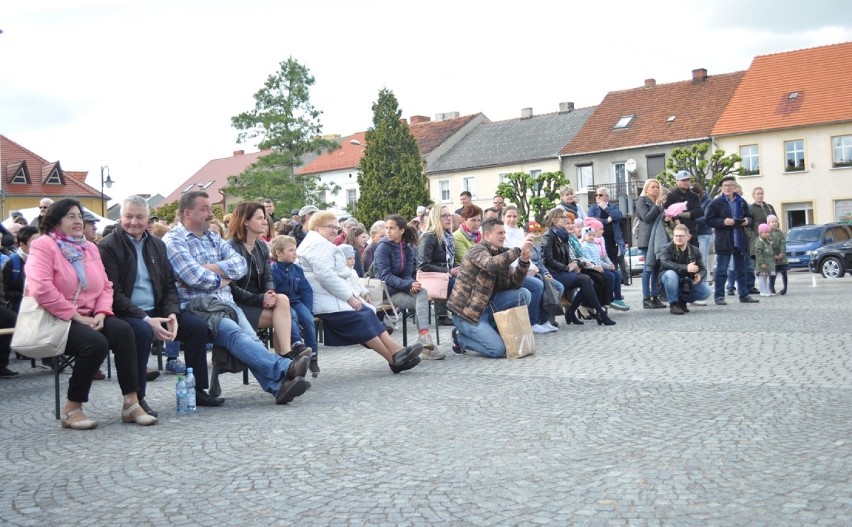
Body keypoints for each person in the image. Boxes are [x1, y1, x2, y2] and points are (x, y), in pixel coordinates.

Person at [163, 191, 310, 405]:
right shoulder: (174, 240)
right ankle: (285, 367)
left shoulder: (213, 237)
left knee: (250, 340)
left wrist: (213, 271)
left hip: (227, 303)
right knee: (234, 334)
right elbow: (193, 277)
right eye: (205, 209)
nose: (210, 213)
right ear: (187, 213)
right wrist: (222, 278)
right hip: (199, 306)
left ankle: (278, 388)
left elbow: (239, 265)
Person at [26, 198, 157, 428]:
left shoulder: (89, 247)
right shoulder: (44, 245)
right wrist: (75, 315)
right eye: (71, 216)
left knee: (125, 330)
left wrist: (102, 312)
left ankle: (132, 402)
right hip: (57, 318)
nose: (78, 221)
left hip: (91, 314)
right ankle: (72, 408)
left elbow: (106, 286)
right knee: (94, 343)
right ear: (56, 221)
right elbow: (41, 288)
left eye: (79, 216)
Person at [98, 195, 222, 416]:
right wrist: (146, 319)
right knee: (142, 331)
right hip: (124, 313)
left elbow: (168, 286)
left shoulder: (157, 245)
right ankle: (137, 399)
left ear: (148, 220)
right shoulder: (108, 246)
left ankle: (198, 390)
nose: (133, 222)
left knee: (196, 327)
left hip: (157, 310)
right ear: (120, 218)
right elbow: (113, 293)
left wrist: (172, 313)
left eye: (139, 217)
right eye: (128, 216)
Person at [297, 210, 423, 373]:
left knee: (367, 313)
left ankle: (396, 354)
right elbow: (326, 276)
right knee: (362, 317)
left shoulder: (322, 243)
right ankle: (394, 356)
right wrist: (350, 298)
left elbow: (346, 273)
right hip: (323, 299)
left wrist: (362, 291)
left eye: (337, 227)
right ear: (317, 227)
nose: (336, 230)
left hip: (331, 295)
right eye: (331, 227)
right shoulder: (317, 244)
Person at [226, 202, 307, 358]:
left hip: (259, 301)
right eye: (260, 218)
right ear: (245, 221)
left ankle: (285, 354)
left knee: (282, 300)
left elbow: (267, 274)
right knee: (284, 317)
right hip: (239, 304)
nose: (265, 221)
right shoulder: (231, 248)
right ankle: (286, 358)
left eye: (264, 218)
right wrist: (261, 299)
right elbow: (231, 287)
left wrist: (269, 292)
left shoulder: (261, 246)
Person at [447, 217, 533, 358]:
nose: (503, 236)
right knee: (497, 350)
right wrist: (518, 250)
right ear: (487, 235)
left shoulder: (501, 252)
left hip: (490, 307)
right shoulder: (476, 250)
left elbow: (514, 284)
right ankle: (460, 339)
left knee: (523, 294)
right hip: (468, 314)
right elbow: (490, 264)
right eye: (499, 233)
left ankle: (500, 330)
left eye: (504, 233)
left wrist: (523, 262)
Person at [373, 215, 440, 358]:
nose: (388, 231)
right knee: (420, 300)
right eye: (387, 228)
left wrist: (411, 285)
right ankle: (427, 347)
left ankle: (424, 336)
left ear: (401, 230)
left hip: (399, 288)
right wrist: (408, 284)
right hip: (386, 291)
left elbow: (407, 274)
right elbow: (384, 276)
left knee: (422, 293)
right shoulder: (383, 247)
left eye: (392, 228)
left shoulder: (407, 248)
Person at [540, 208, 615, 326]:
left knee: (589, 280)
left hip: (563, 271)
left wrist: (576, 264)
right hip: (553, 273)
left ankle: (571, 312)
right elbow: (547, 259)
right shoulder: (548, 236)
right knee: (586, 279)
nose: (566, 220)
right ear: (554, 220)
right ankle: (600, 313)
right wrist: (567, 268)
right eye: (563, 218)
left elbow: (569, 256)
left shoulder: (563, 235)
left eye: (566, 217)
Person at [705, 176, 759, 306]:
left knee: (741, 270)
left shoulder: (741, 202)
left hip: (740, 241)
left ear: (735, 187)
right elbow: (709, 220)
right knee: (721, 270)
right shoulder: (716, 203)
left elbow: (751, 218)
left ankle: (744, 295)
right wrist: (723, 222)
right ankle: (719, 296)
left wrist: (747, 221)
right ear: (721, 188)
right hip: (723, 241)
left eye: (730, 185)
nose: (728, 187)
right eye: (725, 185)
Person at [270, 235, 319, 377]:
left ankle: (313, 355)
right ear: (279, 253)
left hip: (296, 301)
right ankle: (297, 344)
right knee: (292, 316)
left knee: (308, 319)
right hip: (282, 304)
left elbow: (306, 290)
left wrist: (308, 308)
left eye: (295, 250)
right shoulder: (272, 271)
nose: (295, 253)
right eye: (291, 250)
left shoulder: (297, 270)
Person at [501, 205, 549, 333]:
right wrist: (525, 268)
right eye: (509, 216)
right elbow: (511, 256)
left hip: (524, 267)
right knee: (537, 285)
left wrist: (533, 268)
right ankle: (532, 323)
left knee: (545, 281)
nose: (512, 219)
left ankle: (543, 320)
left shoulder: (518, 232)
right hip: (513, 271)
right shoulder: (503, 233)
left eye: (514, 216)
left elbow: (526, 253)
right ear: (503, 217)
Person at [417, 205, 459, 327]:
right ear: (435, 218)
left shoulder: (448, 236)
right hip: (430, 279)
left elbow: (450, 260)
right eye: (444, 216)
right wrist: (449, 271)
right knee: (459, 284)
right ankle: (459, 318)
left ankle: (463, 317)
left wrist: (457, 268)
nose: (449, 219)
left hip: (444, 276)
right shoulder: (428, 237)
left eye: (449, 215)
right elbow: (423, 265)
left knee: (468, 279)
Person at [657, 224, 712, 315]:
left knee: (707, 291)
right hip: (668, 283)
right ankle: (673, 304)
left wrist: (699, 275)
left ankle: (682, 302)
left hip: (687, 283)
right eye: (676, 236)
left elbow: (702, 269)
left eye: (681, 236)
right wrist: (686, 267)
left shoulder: (695, 250)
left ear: (688, 237)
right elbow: (665, 263)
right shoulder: (665, 248)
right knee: (670, 274)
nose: (678, 238)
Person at [634, 180, 665, 309]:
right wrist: (657, 206)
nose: (656, 189)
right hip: (647, 239)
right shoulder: (641, 200)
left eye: (657, 187)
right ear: (646, 189)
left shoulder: (659, 202)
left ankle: (655, 296)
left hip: (658, 238)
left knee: (657, 268)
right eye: (653, 187)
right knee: (648, 268)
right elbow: (646, 217)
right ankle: (646, 297)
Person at [587, 187, 627, 285]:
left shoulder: (613, 207)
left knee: (613, 263)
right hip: (598, 240)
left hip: (613, 240)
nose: (597, 197)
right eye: (596, 195)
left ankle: (614, 288)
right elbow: (591, 220)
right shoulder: (593, 208)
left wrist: (605, 208)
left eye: (600, 195)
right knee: (602, 263)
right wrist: (606, 221)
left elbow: (618, 216)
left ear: (606, 196)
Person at [747, 187, 777, 294]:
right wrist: (752, 236)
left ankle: (771, 288)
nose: (760, 195)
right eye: (758, 194)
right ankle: (758, 288)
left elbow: (775, 221)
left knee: (771, 264)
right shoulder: (751, 208)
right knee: (759, 265)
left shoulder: (769, 207)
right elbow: (748, 225)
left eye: (761, 193)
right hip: (758, 239)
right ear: (753, 195)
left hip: (770, 239)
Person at [3, 226, 39, 313]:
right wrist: (24, 295)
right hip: (18, 311)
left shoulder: (46, 261)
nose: (40, 245)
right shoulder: (11, 262)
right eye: (35, 242)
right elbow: (4, 292)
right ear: (22, 245)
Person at [662, 171, 703, 246]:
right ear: (677, 181)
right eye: (683, 180)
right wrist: (676, 217)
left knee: (694, 255)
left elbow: (699, 212)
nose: (686, 182)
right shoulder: (671, 195)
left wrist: (679, 214)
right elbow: (666, 213)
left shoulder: (694, 196)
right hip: (677, 234)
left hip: (691, 232)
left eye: (688, 180)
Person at [767, 215, 788, 295]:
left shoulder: (780, 232)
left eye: (776, 222)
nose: (774, 223)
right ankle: (771, 288)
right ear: (769, 223)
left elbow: (783, 243)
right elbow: (768, 245)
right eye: (772, 222)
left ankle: (785, 288)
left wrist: (782, 253)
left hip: (782, 257)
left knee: (784, 272)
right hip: (772, 257)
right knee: (773, 273)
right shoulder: (767, 233)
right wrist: (773, 255)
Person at [753, 223, 776, 297]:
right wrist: (761, 263)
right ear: (760, 233)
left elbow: (770, 251)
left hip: (768, 263)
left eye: (768, 232)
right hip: (762, 264)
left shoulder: (767, 241)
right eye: (765, 232)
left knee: (766, 277)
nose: (767, 234)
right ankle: (762, 291)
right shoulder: (759, 242)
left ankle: (766, 290)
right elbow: (758, 254)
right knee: (762, 277)